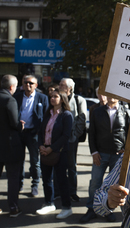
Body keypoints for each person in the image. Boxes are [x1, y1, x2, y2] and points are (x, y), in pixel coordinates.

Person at [79, 96, 130, 223]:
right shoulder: (97, 112)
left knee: (112, 185)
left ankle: (108, 210)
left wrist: (126, 149)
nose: (111, 97)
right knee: (95, 183)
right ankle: (91, 209)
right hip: (100, 154)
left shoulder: (126, 112)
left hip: (117, 155)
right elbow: (92, 133)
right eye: (109, 94)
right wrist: (94, 152)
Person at [36, 89, 73, 219]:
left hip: (60, 152)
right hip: (45, 151)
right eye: (51, 96)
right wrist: (41, 145)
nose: (52, 98)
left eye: (55, 96)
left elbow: (66, 136)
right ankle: (49, 203)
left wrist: (51, 148)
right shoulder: (48, 113)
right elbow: (41, 132)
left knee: (61, 180)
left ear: (62, 99)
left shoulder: (66, 115)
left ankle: (66, 207)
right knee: (46, 179)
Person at [14, 75, 49, 196]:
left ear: (36, 85)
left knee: (35, 161)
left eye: (31, 83)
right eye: (25, 83)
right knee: (19, 160)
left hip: (34, 134)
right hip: (20, 133)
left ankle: (35, 184)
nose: (28, 85)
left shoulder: (42, 98)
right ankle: (19, 184)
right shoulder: (17, 97)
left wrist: (41, 131)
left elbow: (46, 116)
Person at [58, 78, 86, 202]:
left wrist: (75, 135)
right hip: (57, 139)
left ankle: (72, 191)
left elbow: (81, 119)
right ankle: (58, 191)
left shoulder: (79, 100)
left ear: (69, 88)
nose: (59, 86)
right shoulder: (57, 98)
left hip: (71, 139)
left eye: (62, 85)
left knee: (71, 166)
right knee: (58, 166)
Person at [0, 75, 25, 217]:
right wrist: (20, 125)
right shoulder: (10, 99)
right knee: (13, 178)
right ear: (11, 87)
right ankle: (13, 208)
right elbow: (14, 122)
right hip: (10, 145)